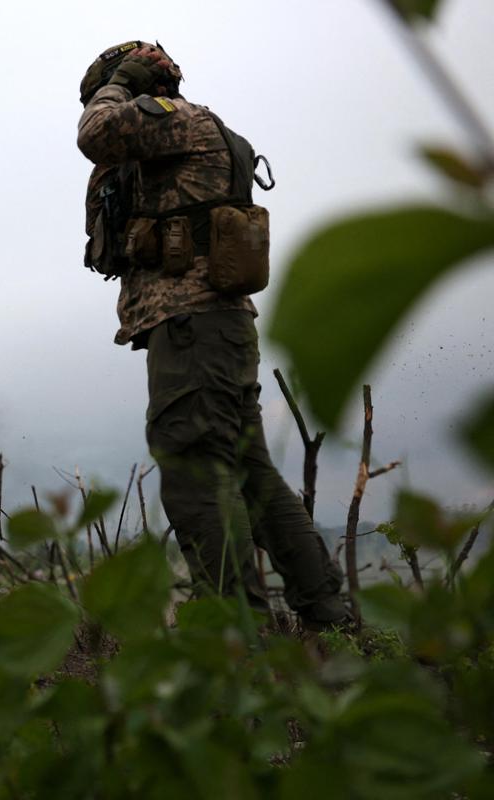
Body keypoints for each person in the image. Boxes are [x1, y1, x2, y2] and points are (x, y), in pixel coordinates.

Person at [76, 41, 349, 630]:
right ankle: (326, 612)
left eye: (114, 87)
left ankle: (234, 634)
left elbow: (96, 133)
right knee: (248, 474)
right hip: (212, 328)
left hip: (193, 326)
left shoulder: (176, 121)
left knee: (193, 469)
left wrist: (118, 85)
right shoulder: (184, 131)